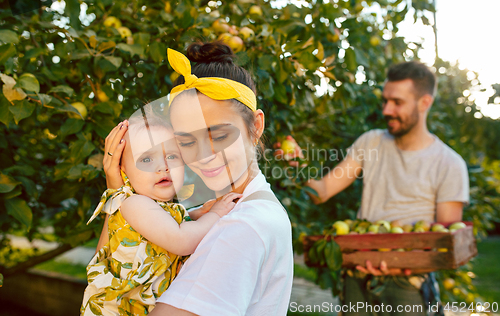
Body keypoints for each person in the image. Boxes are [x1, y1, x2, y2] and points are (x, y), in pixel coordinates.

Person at [102, 42, 294, 316]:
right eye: (187, 141)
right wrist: (118, 194)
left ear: (256, 126)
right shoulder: (241, 208)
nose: (203, 155)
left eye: (217, 135)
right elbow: (107, 267)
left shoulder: (242, 226)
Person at [304, 61, 469, 315]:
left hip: (407, 283)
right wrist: (295, 166)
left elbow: (443, 242)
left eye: (397, 102)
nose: (387, 110)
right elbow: (322, 191)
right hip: (357, 276)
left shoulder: (449, 164)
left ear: (424, 103)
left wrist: (394, 263)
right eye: (385, 101)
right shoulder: (370, 142)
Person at [81, 111, 240, 316]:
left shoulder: (156, 207)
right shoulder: (134, 204)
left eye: (172, 156)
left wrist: (195, 214)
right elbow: (181, 240)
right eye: (146, 159)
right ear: (124, 170)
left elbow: (165, 226)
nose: (163, 167)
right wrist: (215, 214)